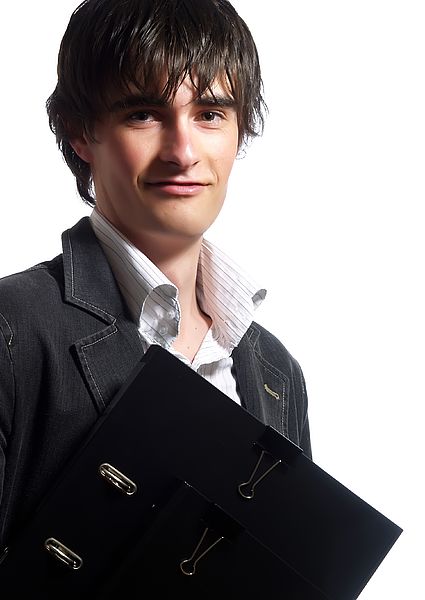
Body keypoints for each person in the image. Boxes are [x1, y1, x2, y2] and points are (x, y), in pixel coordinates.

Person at [0, 0, 310, 553]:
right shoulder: (12, 331)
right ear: (80, 132)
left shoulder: (276, 374)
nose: (183, 152)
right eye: (143, 114)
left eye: (210, 113)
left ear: (239, 133)